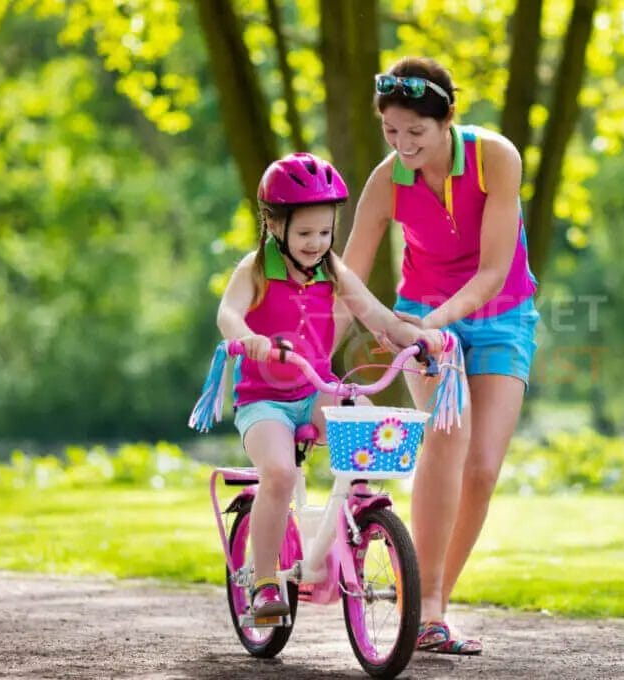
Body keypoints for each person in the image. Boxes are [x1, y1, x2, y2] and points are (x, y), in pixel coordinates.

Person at [343, 57, 540, 654]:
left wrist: (429, 323)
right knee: (447, 440)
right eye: (391, 133)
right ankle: (425, 610)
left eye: (416, 133)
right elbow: (347, 271)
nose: (403, 145)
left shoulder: (496, 158)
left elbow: (490, 273)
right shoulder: (386, 180)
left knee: (482, 468)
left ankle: (435, 601)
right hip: (421, 317)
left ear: (447, 120)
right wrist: (380, 322)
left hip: (499, 316)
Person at [215, 152, 444, 621]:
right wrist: (249, 340)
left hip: (314, 389)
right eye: (304, 234)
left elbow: (375, 314)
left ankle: (359, 514)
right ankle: (262, 583)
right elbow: (228, 314)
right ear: (273, 224)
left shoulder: (331, 269)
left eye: (324, 232)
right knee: (278, 474)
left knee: (360, 414)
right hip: (264, 402)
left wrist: (415, 339)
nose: (316, 243)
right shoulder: (254, 269)